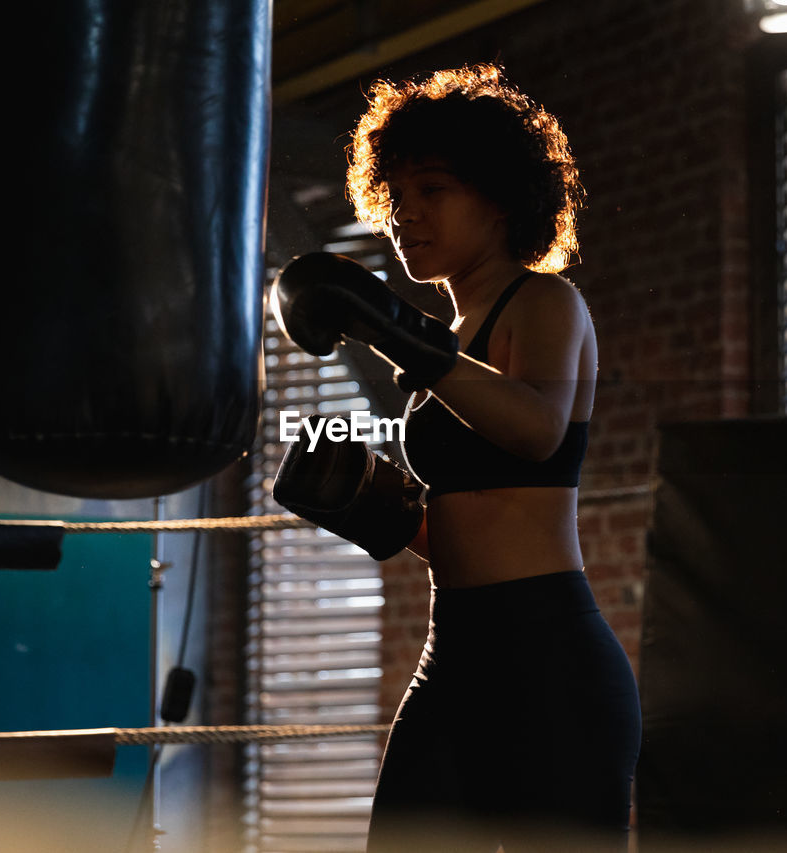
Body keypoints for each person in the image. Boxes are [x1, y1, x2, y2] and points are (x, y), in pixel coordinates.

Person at [271, 64, 640, 852]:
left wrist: (400, 335)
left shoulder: (545, 303)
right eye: (397, 196)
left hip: (551, 663)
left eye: (432, 190)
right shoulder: (450, 346)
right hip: (456, 651)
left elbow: (538, 431)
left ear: (499, 194)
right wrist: (374, 503)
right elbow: (475, 516)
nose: (407, 215)